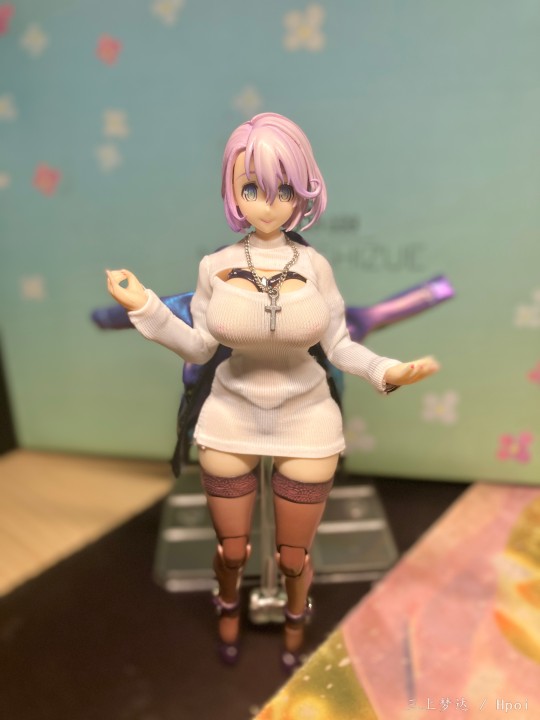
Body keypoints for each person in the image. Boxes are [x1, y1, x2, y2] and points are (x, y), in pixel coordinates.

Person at [106, 112, 439, 670]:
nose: (267, 204)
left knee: (292, 556)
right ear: (234, 192)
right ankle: (228, 607)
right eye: (252, 188)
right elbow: (198, 347)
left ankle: (294, 618)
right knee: (232, 549)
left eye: (283, 190)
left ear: (302, 191)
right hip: (231, 414)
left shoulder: (314, 266)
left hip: (306, 416)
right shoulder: (216, 265)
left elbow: (339, 345)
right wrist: (147, 307)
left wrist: (387, 370)